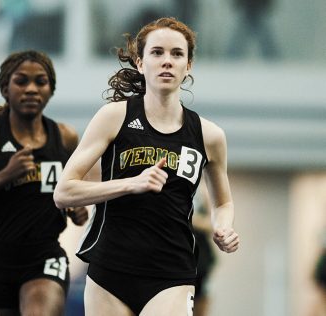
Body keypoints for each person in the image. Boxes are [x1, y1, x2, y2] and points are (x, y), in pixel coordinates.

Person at [54, 17, 239, 315]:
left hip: (172, 273)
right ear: (140, 63)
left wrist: (223, 226)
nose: (167, 61)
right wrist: (131, 183)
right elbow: (63, 191)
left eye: (177, 54)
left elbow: (223, 201)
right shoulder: (113, 117)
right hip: (110, 271)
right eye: (157, 52)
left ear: (188, 65)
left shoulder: (210, 135)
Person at [0, 50, 89, 316]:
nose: (32, 89)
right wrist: (4, 175)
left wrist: (77, 209)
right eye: (21, 81)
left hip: (45, 256)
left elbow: (73, 192)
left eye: (40, 82)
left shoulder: (65, 137)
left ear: (51, 90)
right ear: (5, 88)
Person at [191, 183, 216, 316]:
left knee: (200, 297)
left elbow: (213, 223)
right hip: (175, 254)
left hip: (200, 258)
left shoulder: (203, 190)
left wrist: (191, 219)